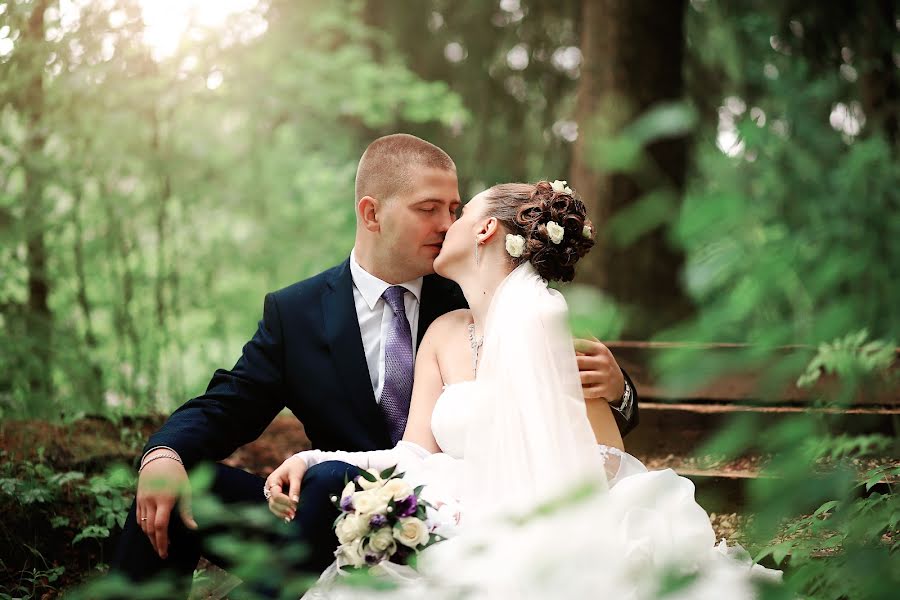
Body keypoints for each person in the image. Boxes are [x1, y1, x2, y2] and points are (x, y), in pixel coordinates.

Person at [112, 135, 640, 594]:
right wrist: (163, 452)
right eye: (428, 208)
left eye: (455, 210)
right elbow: (229, 402)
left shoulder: (475, 296)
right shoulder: (295, 314)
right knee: (182, 485)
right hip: (315, 523)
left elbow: (566, 417)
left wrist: (621, 392)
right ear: (371, 213)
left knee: (330, 480)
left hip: (440, 528)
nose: (447, 223)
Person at [265, 181, 781, 599]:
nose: (449, 224)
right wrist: (315, 458)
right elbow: (412, 454)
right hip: (458, 516)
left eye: (462, 213)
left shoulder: (549, 321)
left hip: (539, 525)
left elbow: (602, 455)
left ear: (486, 228)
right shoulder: (443, 334)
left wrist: (504, 492)